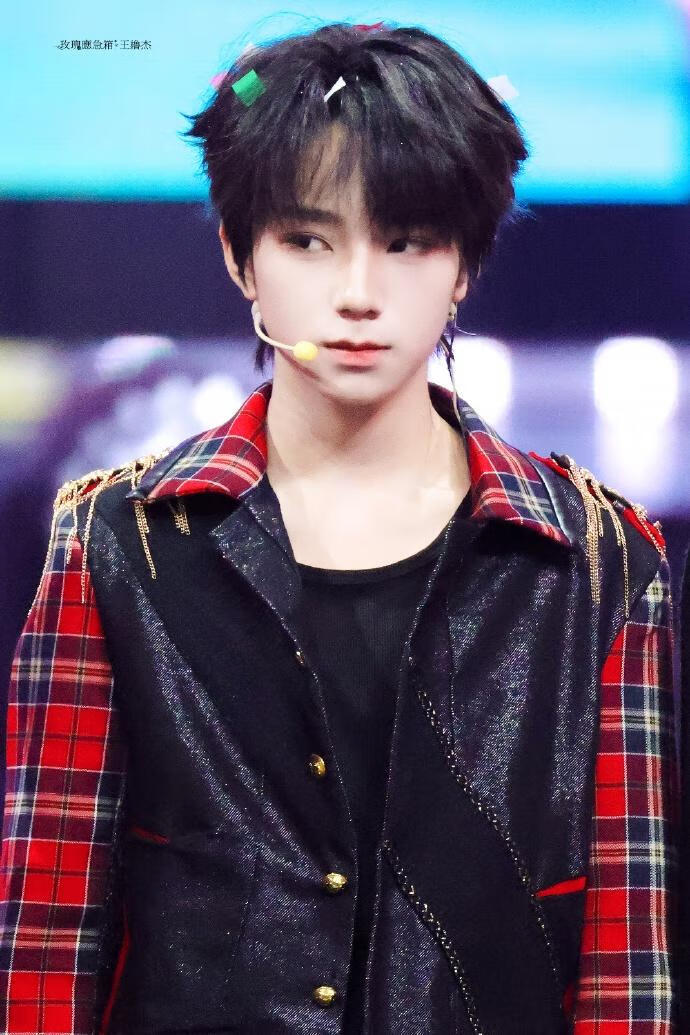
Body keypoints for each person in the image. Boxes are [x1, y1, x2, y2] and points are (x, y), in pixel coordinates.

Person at [0, 20, 677, 1034]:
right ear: (240, 255)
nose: (359, 294)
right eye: (309, 241)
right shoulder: (114, 546)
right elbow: (46, 942)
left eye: (406, 242)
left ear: (465, 263)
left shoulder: (599, 564)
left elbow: (629, 967)